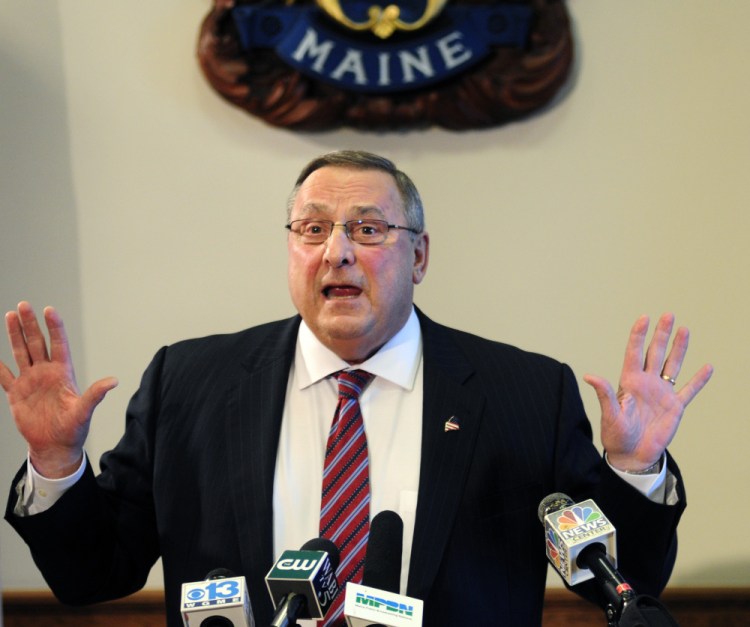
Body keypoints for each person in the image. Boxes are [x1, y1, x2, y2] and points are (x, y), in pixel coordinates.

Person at [2, 151, 713, 626]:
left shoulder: (525, 392)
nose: (336, 250)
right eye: (312, 228)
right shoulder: (188, 383)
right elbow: (93, 573)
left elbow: (620, 583)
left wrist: (634, 470)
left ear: (420, 254)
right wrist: (58, 463)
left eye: (367, 228)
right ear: (291, 249)